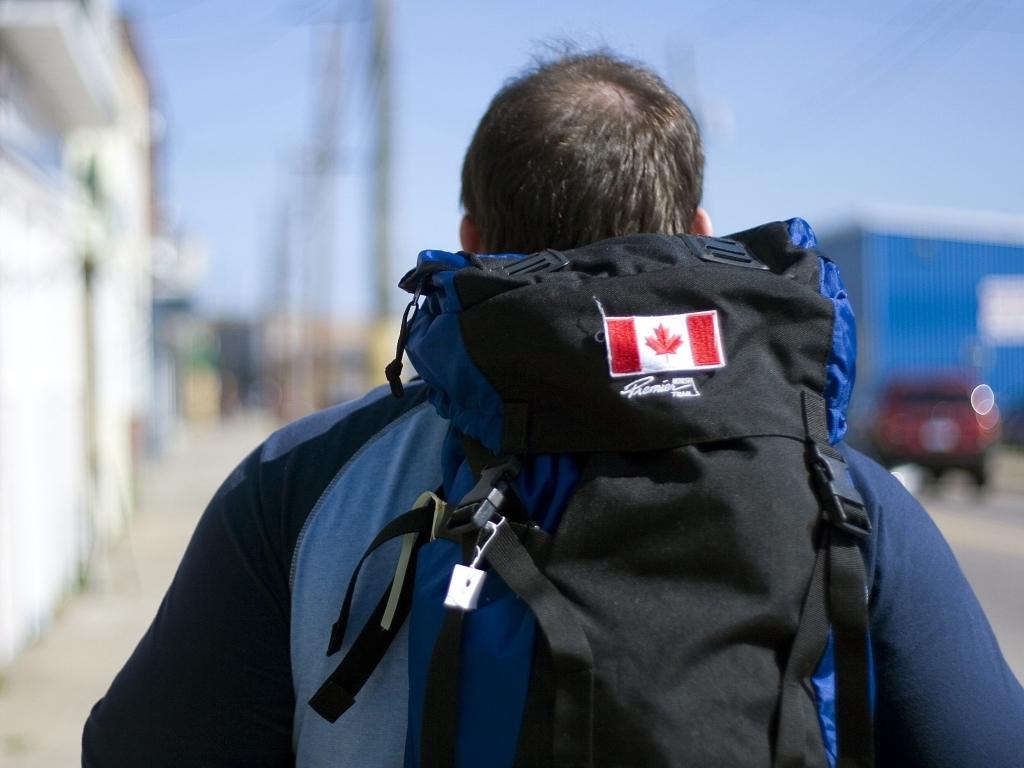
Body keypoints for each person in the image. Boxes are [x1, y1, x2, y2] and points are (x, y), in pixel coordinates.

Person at [82, 50, 1024, 767]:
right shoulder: (841, 493)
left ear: (469, 244)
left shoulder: (302, 483)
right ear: (699, 236)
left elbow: (139, 748)